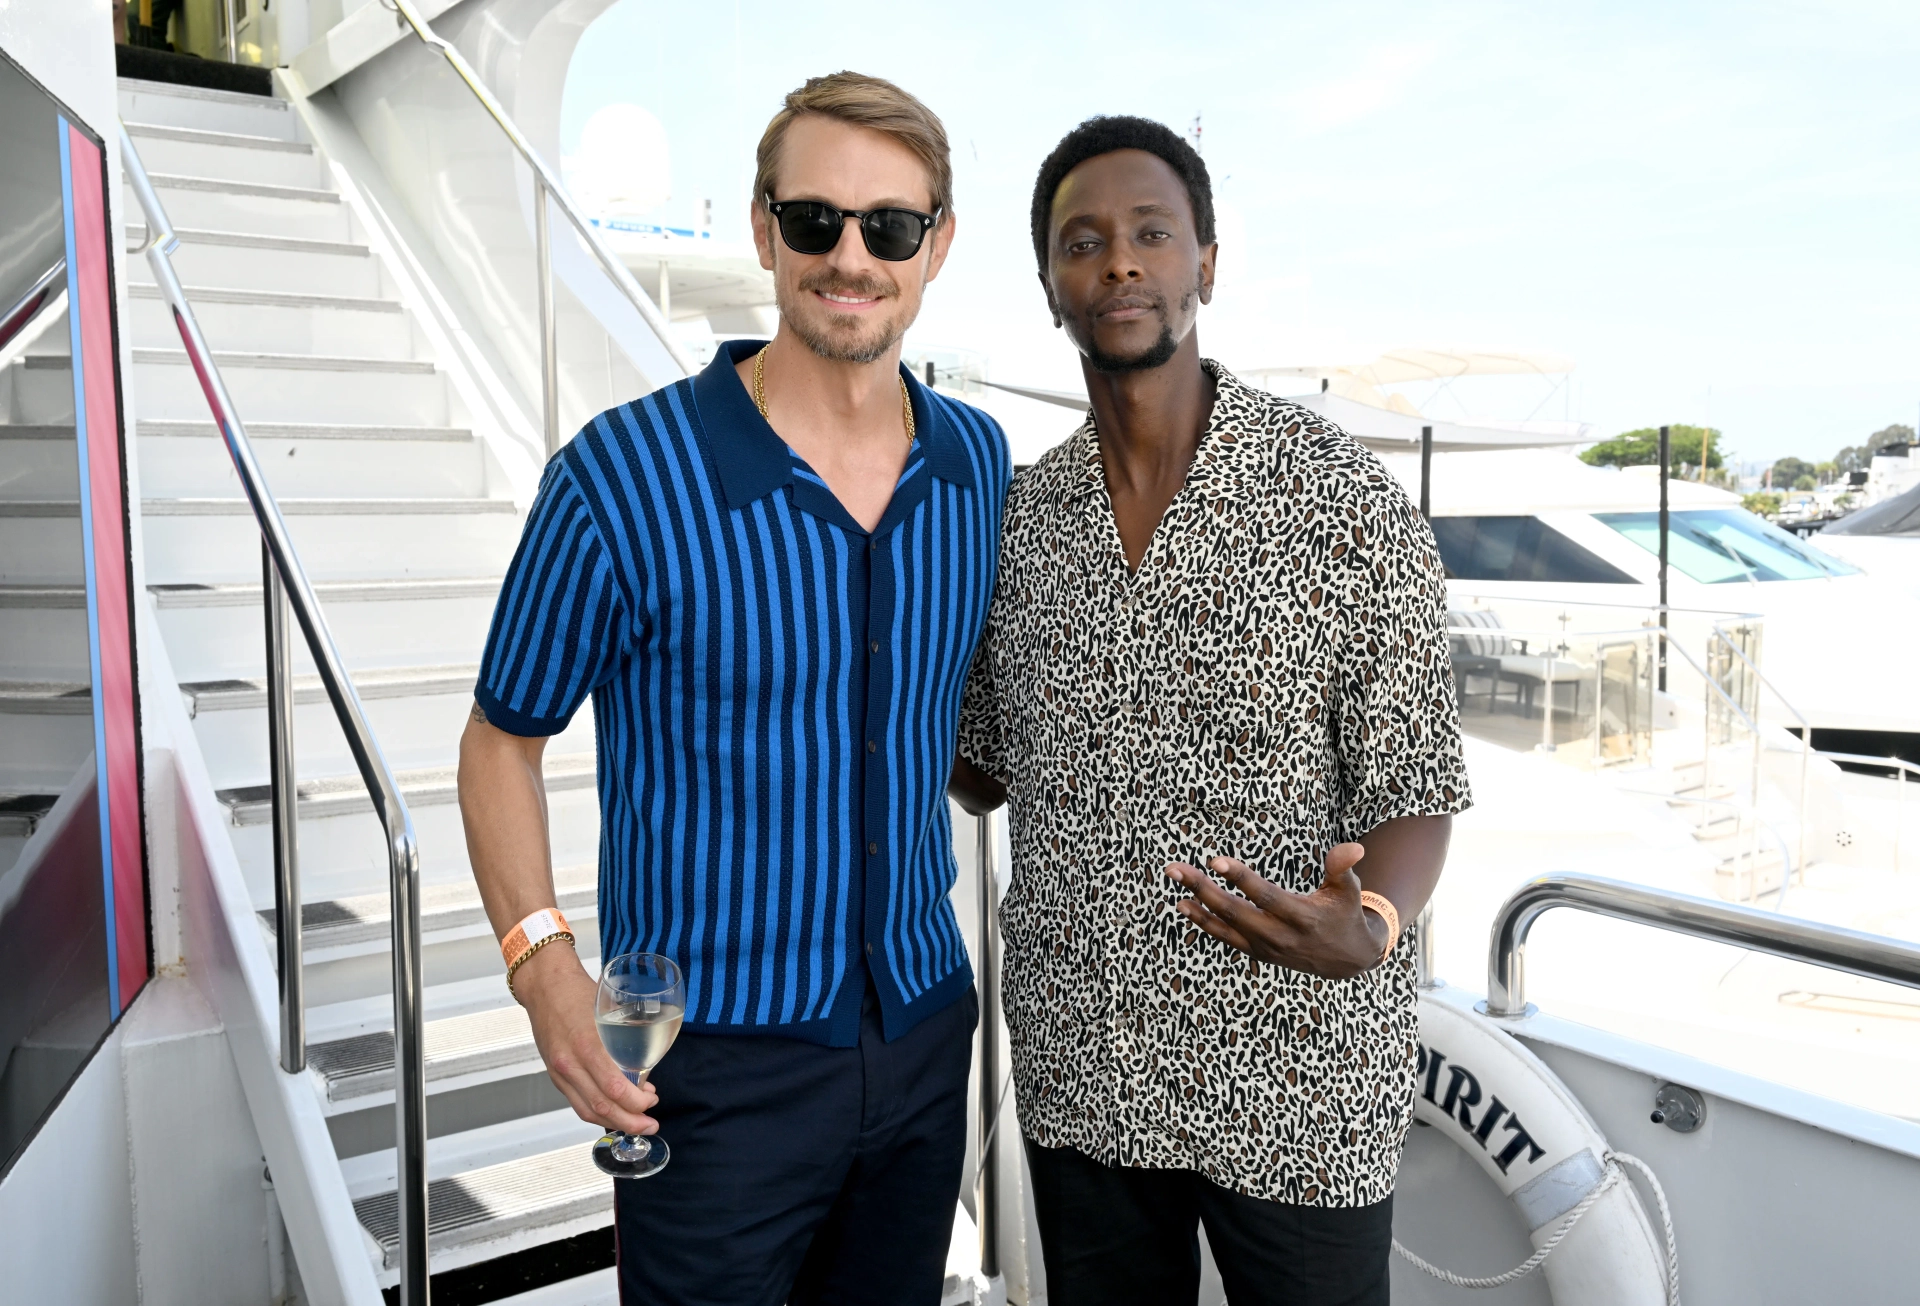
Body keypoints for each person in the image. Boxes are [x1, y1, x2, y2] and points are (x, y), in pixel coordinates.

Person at [460, 72, 1009, 1306]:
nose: (850, 257)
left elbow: (973, 714)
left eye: (890, 227)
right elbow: (501, 739)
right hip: (707, 1077)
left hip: (925, 1039)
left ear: (937, 247)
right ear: (763, 231)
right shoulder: (620, 478)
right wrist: (543, 964)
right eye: (814, 221)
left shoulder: (977, 465)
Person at [950, 115, 1471, 1306]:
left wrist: (1378, 919)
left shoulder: (1337, 494)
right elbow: (978, 766)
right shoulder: (1020, 523)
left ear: (1207, 264)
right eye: (1083, 242)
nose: (1119, 262)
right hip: (1090, 1061)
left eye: (1151, 233)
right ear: (1049, 286)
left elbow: (1420, 784)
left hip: (1298, 1071)